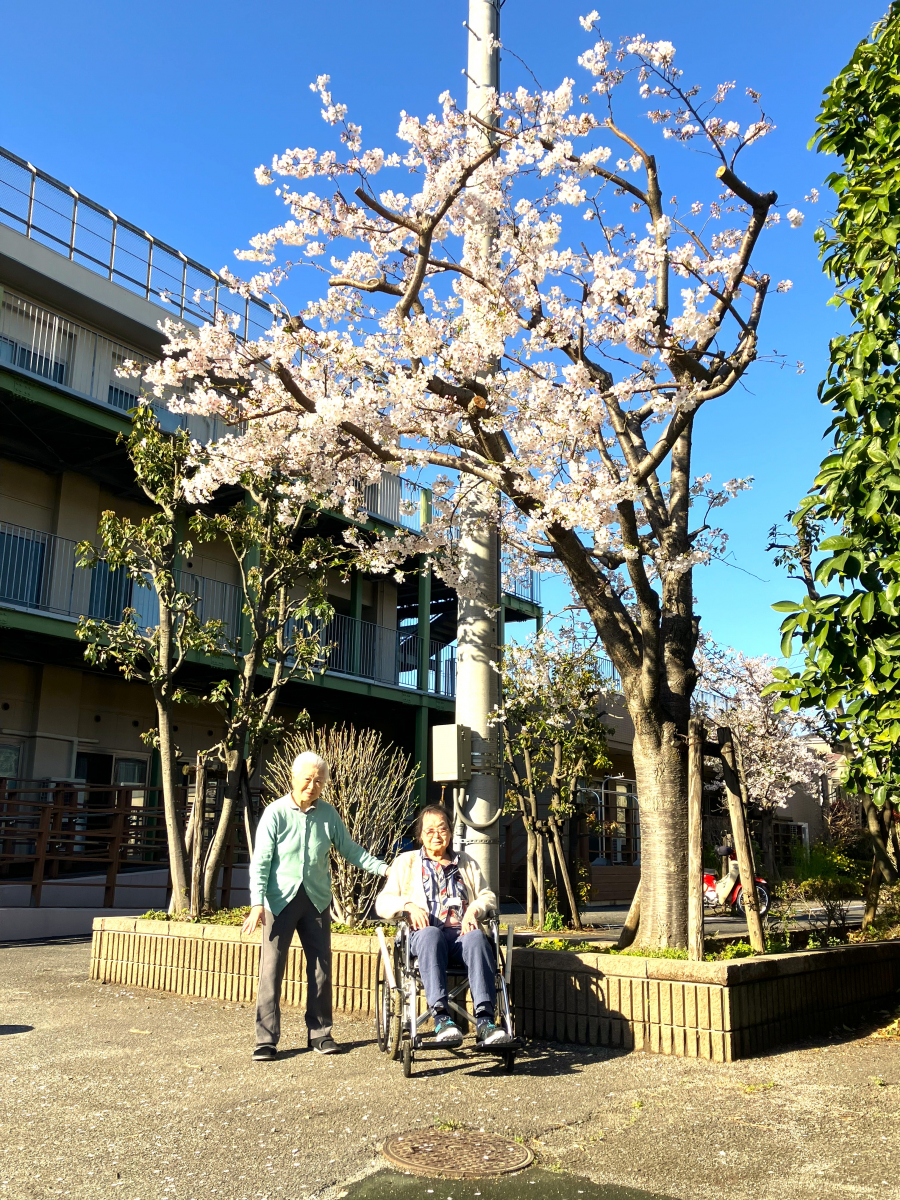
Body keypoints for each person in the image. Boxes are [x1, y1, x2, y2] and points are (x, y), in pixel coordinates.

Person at [243, 751, 389, 1060]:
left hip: (317, 900)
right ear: (293, 778)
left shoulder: (328, 814)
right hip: (278, 901)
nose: (313, 785)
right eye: (308, 779)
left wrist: (384, 869)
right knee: (271, 970)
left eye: (319, 781)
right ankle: (265, 1040)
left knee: (321, 968)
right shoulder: (275, 813)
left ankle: (321, 1033)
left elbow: (350, 849)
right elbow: (261, 862)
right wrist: (257, 903)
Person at [375, 803, 513, 1046]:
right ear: (420, 836)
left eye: (442, 829)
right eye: (429, 831)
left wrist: (474, 909)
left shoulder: (466, 862)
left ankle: (485, 1022)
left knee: (477, 938)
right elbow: (383, 902)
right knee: (430, 934)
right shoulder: (407, 862)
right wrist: (408, 905)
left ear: (450, 833)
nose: (436, 835)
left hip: (461, 936)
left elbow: (488, 895)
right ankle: (441, 1019)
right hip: (424, 938)